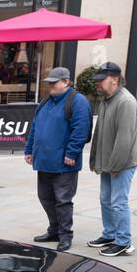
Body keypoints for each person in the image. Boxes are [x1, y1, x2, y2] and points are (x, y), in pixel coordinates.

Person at [25, 67, 92, 252]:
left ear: (66, 82)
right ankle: (54, 229)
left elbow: (81, 130)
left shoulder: (77, 101)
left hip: (64, 163)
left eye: (54, 83)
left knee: (62, 200)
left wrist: (71, 153)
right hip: (45, 161)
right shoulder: (46, 103)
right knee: (45, 196)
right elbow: (35, 128)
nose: (50, 86)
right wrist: (29, 149)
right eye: (49, 83)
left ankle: (65, 235)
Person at [87, 61, 137, 257]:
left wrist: (116, 165)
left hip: (123, 162)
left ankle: (124, 242)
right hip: (108, 161)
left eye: (102, 80)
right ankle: (110, 234)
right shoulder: (107, 99)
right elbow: (99, 133)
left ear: (115, 79)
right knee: (105, 199)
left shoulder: (126, 102)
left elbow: (125, 138)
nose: (98, 83)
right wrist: (94, 159)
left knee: (118, 201)